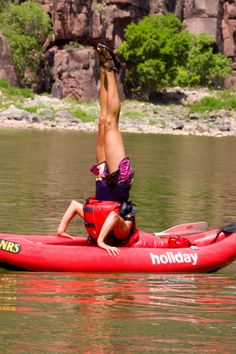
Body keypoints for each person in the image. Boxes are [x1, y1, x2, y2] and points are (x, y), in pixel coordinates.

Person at [57, 43, 135, 256]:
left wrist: (61, 230)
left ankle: (104, 67)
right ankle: (111, 70)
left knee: (102, 120)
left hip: (102, 182)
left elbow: (74, 205)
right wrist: (101, 241)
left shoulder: (99, 222)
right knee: (111, 123)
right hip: (119, 182)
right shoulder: (124, 231)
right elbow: (113, 217)